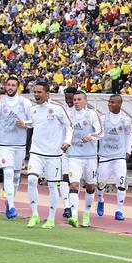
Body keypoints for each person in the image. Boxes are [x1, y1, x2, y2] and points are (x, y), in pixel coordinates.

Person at [25, 82, 73, 229]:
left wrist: (67, 141)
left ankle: (51, 219)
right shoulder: (33, 110)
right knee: (32, 179)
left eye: (39, 92)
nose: (36, 95)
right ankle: (34, 215)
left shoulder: (58, 109)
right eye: (35, 92)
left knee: (52, 185)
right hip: (36, 152)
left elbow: (69, 126)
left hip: (54, 154)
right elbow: (33, 123)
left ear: (47, 94)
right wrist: (23, 123)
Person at [0, 76, 32, 219]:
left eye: (13, 85)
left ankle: (10, 202)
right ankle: (12, 206)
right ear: (5, 86)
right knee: (8, 172)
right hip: (3, 144)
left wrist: (25, 123)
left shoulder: (24, 103)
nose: (10, 87)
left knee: (16, 176)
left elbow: (33, 121)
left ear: (18, 87)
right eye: (8, 85)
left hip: (19, 144)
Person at [66, 91, 103, 228]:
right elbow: (64, 130)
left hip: (90, 157)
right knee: (74, 185)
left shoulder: (92, 114)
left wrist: (91, 136)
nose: (76, 102)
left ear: (85, 101)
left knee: (90, 186)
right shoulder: (69, 115)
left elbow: (101, 132)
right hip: (74, 156)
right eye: (74, 99)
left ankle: (86, 214)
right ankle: (74, 215)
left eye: (79, 99)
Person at [97, 95, 132, 221]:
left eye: (112, 102)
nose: (109, 104)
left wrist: (128, 150)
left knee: (121, 184)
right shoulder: (102, 118)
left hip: (119, 157)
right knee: (100, 184)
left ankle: (119, 210)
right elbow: (97, 133)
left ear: (119, 104)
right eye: (109, 102)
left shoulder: (125, 120)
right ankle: (101, 199)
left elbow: (129, 135)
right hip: (105, 156)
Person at [60, 87, 77, 218]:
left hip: (78, 152)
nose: (69, 101)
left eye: (71, 98)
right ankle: (67, 207)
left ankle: (73, 206)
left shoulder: (85, 112)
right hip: (64, 149)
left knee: (74, 181)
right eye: (67, 98)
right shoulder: (62, 110)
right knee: (64, 178)